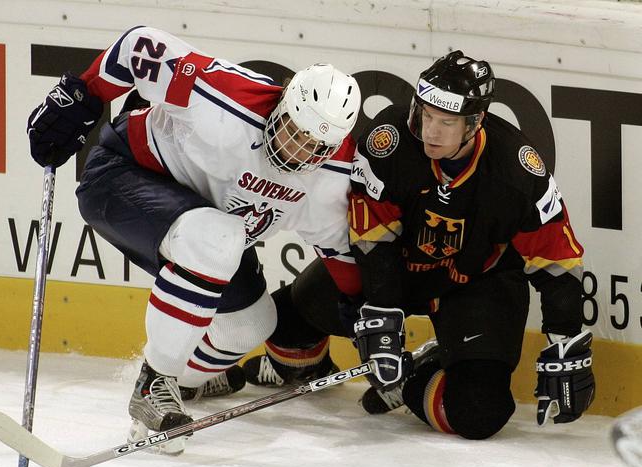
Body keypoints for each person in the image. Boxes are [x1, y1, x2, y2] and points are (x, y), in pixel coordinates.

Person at [26, 25, 362, 454]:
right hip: (122, 177)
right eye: (293, 130)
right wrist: (84, 95)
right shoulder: (226, 97)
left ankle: (177, 387)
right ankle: (155, 383)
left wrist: (365, 313)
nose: (297, 149)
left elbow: (339, 250)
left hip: (204, 230)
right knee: (220, 237)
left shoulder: (330, 179)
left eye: (314, 146)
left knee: (251, 325)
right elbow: (139, 46)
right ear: (282, 102)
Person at [246, 50, 595, 440]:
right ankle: (311, 365)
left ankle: (415, 374)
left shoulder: (516, 169)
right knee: (284, 324)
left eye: (446, 122)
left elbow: (557, 260)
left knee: (479, 413)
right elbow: (374, 239)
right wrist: (380, 313)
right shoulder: (390, 142)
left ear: (475, 123)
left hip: (477, 284)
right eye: (427, 115)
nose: (431, 131)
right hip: (399, 270)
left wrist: (566, 341)